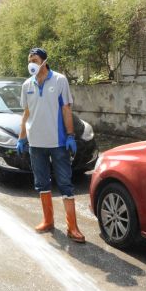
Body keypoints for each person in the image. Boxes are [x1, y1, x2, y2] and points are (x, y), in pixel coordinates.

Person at [17, 48, 85, 243]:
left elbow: (66, 108)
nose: (31, 63)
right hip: (36, 143)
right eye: (29, 60)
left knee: (65, 183)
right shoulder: (26, 85)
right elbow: (26, 112)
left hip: (57, 142)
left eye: (35, 60)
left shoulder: (59, 80)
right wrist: (22, 138)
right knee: (41, 183)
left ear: (44, 61)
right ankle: (48, 221)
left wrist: (70, 135)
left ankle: (73, 227)